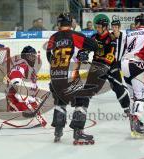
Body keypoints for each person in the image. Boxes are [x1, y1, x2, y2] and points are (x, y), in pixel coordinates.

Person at [47, 13, 99, 145]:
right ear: (71, 24)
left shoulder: (52, 38)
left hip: (55, 77)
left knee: (60, 101)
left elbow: (49, 57)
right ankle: (78, 132)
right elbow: (94, 46)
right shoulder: (75, 35)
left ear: (58, 24)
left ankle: (58, 130)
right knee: (82, 100)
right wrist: (83, 53)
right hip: (70, 78)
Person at [0, 45, 47, 129]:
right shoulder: (22, 65)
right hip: (17, 100)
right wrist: (20, 90)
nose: (34, 58)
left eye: (34, 56)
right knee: (31, 120)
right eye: (31, 56)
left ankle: (12, 115)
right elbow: (15, 76)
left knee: (37, 119)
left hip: (27, 101)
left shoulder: (31, 69)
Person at [86, 18, 130, 119]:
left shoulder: (111, 38)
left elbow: (111, 55)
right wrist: (83, 53)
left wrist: (105, 66)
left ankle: (127, 108)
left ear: (105, 27)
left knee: (118, 87)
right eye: (96, 26)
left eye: (99, 27)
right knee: (89, 87)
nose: (97, 29)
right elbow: (87, 47)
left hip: (111, 66)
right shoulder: (94, 37)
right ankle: (81, 107)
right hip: (96, 65)